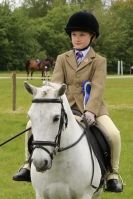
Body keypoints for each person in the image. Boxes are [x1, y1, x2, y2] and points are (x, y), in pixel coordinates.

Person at [13, 10, 123, 192]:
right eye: (74, 35)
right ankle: (27, 164)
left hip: (92, 109)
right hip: (65, 107)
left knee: (114, 135)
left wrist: (90, 111)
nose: (77, 38)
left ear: (92, 37)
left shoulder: (99, 61)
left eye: (82, 34)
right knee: (30, 126)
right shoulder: (62, 58)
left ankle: (112, 173)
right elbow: (56, 85)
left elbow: (98, 87)